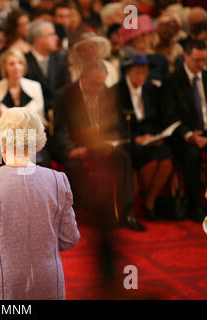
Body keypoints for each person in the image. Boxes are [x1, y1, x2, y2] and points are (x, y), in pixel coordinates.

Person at [0, 108, 80, 299]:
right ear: (37, 142)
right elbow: (69, 238)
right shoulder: (58, 180)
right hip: (47, 280)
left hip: (2, 283)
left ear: (1, 140)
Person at [50, 61, 146, 231]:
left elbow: (117, 126)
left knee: (123, 158)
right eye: (95, 84)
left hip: (102, 145)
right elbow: (60, 130)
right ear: (82, 78)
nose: (99, 88)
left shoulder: (106, 93)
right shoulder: (65, 96)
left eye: (102, 84)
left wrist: (112, 141)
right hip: (77, 148)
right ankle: (93, 212)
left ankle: (126, 212)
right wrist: (71, 149)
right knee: (74, 166)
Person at [111, 54, 173, 220]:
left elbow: (158, 117)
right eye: (138, 72)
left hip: (150, 136)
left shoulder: (152, 89)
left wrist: (157, 135)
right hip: (130, 140)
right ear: (128, 72)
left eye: (145, 72)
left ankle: (149, 201)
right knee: (149, 159)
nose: (142, 76)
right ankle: (150, 205)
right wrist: (135, 139)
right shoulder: (116, 92)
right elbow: (114, 125)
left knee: (166, 159)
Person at [161, 40, 207, 223]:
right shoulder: (172, 81)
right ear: (186, 56)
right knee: (191, 154)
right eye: (197, 60)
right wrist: (189, 135)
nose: (201, 65)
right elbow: (169, 116)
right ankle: (195, 205)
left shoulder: (205, 76)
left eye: (205, 61)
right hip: (185, 135)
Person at [0, 47, 45, 124]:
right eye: (12, 64)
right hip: (4, 134)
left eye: (20, 63)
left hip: (31, 134)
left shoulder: (35, 87)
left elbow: (40, 118)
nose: (17, 67)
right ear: (5, 67)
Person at [25, 20, 70, 115]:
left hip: (60, 114)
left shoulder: (61, 59)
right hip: (33, 115)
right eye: (51, 35)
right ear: (37, 39)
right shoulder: (23, 61)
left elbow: (66, 88)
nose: (57, 38)